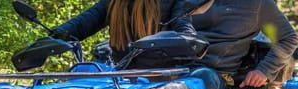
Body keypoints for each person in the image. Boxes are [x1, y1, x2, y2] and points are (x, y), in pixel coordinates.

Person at [189, 0, 298, 89]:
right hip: (170, 69)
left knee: (202, 79)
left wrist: (264, 70)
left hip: (213, 78)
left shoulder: (257, 4)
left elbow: (289, 38)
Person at [52, 0, 198, 63]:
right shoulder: (114, 3)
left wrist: (185, 40)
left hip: (160, 80)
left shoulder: (173, 2)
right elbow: (83, 23)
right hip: (121, 78)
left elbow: (185, 31)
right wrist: (54, 37)